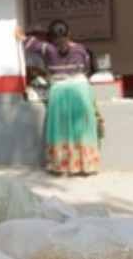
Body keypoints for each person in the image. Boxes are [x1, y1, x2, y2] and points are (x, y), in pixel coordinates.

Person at [15, 20, 100, 175]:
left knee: (60, 129)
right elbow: (87, 69)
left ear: (50, 37)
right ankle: (85, 166)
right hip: (80, 91)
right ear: (69, 34)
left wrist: (21, 34)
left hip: (59, 92)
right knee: (82, 128)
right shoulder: (81, 50)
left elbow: (28, 43)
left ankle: (61, 166)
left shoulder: (47, 48)